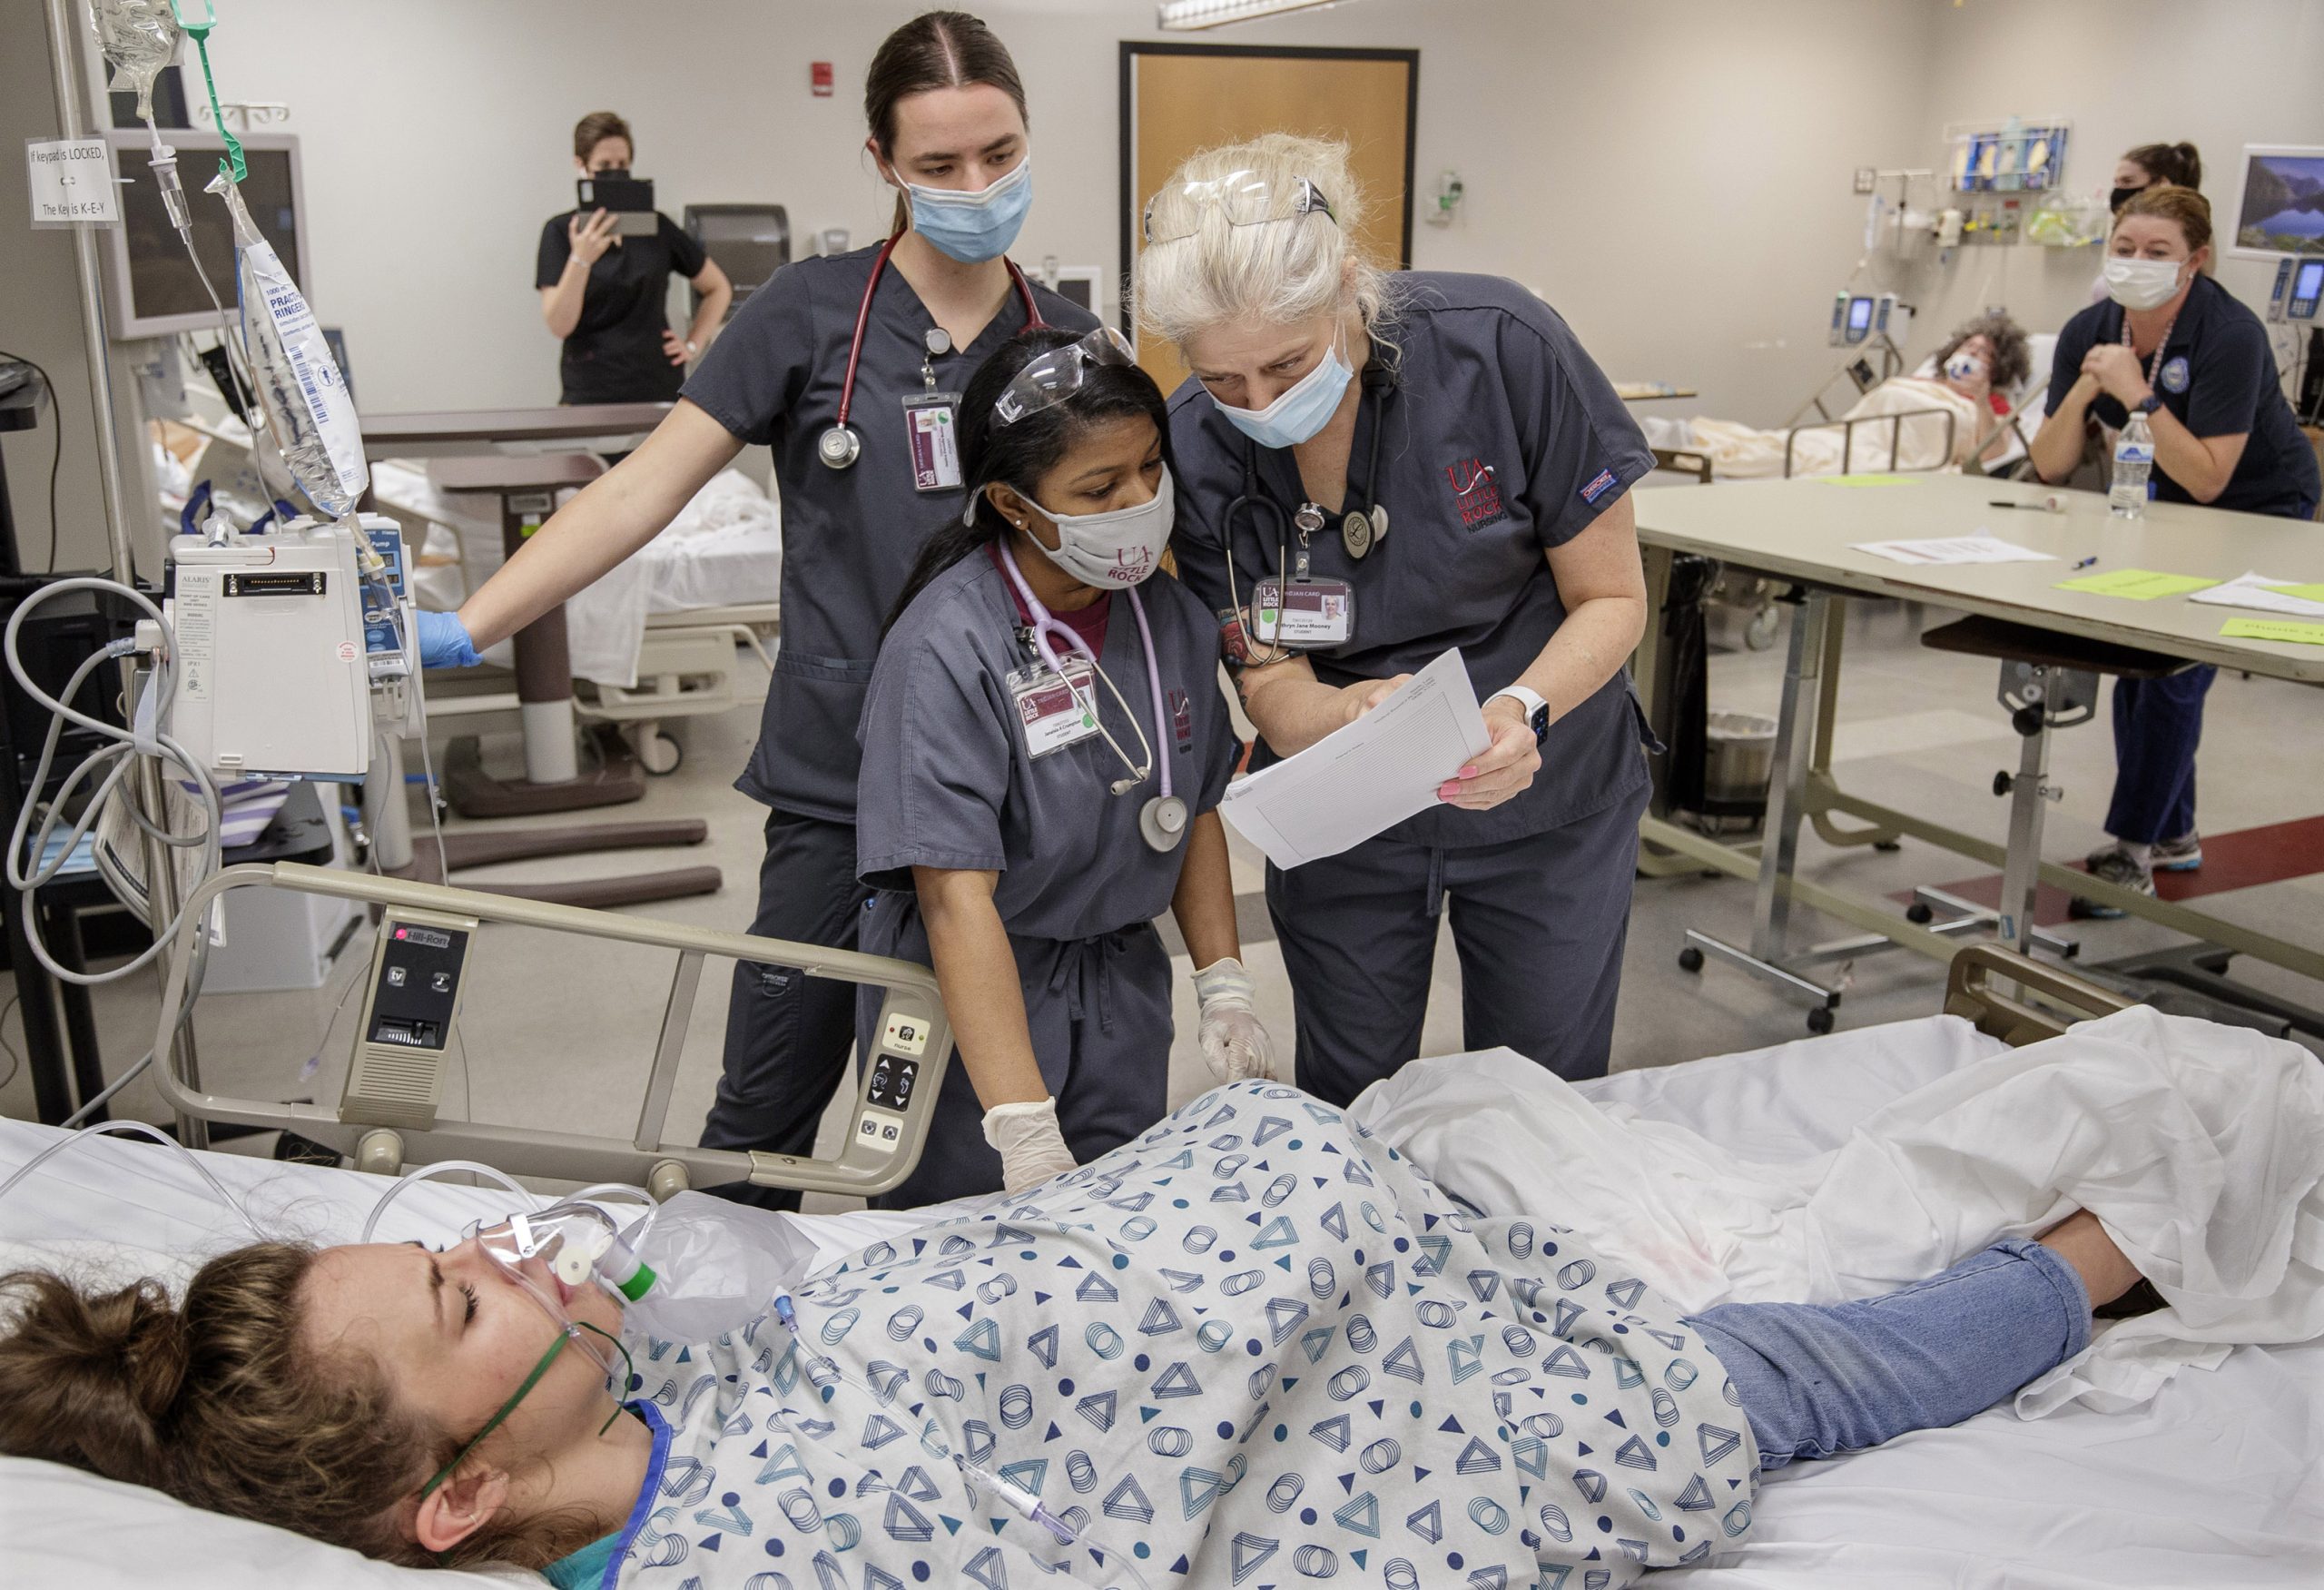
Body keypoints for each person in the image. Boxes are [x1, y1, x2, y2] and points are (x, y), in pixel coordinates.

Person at [0, 1080, 2154, 1585]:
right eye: (478, 1303)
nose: (536, 1268)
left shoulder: (640, 1406)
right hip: (1373, 1444)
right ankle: (2095, 1260)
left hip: (1271, 1279)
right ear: (458, 1487)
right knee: (1762, 1378)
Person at [420, 14, 1098, 1210]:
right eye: (939, 166)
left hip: (1013, 787)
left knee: (964, 1113)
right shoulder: (804, 316)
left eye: (999, 154)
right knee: (764, 1110)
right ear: (881, 163)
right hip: (839, 779)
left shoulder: (1068, 343)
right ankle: (721, 1333)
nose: (977, 187)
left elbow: (1127, 558)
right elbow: (639, 489)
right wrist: (470, 624)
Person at [1136, 133, 1659, 1105]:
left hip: (1547, 788)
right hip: (1350, 809)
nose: (1259, 404)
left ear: (1346, 286)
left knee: (1542, 1090)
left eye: (1289, 365)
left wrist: (1520, 709)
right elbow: (1267, 678)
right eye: (1223, 381)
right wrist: (1346, 719)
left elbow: (1613, 596)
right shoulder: (1194, 446)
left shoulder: (1500, 346)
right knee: (1351, 1094)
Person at [853, 326, 1266, 1206]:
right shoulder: (946, 646)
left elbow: (1189, 807)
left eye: (1150, 468)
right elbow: (951, 895)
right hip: (974, 982)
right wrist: (1021, 1119)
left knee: (1114, 1227)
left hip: (1120, 976)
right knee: (964, 1240)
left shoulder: (1171, 619)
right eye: (1098, 486)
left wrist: (1223, 981)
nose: (1140, 499)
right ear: (1010, 503)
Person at [2030, 185, 2319, 915]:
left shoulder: (2229, 334)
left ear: (2195, 262)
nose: (2136, 263)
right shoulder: (2090, 328)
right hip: (2167, 509)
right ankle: (2175, 832)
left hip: (2260, 508)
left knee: (2167, 673)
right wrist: (2083, 389)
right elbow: (2050, 464)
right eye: (2124, 249)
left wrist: (2136, 395)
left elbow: (2211, 477)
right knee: (2143, 658)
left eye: (2157, 252)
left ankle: (2130, 851)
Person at [1641, 309, 2034, 476]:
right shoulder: (1922, 383)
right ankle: (1693, 437)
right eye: (1970, 347)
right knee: (1791, 442)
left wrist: (1979, 399)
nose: (1973, 355)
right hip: (1855, 435)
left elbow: (1990, 453)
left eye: (1985, 353)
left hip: (1890, 454)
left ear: (1998, 368)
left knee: (1804, 455)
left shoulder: (1989, 403)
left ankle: (1700, 448)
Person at [537, 112, 733, 405]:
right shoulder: (560, 231)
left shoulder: (656, 227)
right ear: (581, 166)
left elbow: (718, 288)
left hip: (656, 385)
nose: (615, 174)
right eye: (603, 166)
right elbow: (559, 325)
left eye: (622, 165)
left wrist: (692, 344)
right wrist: (581, 258)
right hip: (590, 391)